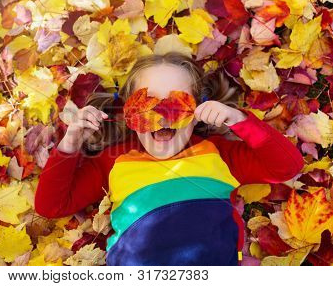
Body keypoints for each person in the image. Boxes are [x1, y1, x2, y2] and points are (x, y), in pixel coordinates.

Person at [34, 52, 304, 266]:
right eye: (147, 103)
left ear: (199, 107)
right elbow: (51, 206)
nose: (162, 115)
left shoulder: (220, 154)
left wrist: (240, 121)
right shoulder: (113, 162)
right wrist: (70, 144)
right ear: (129, 111)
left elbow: (286, 167)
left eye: (177, 103)